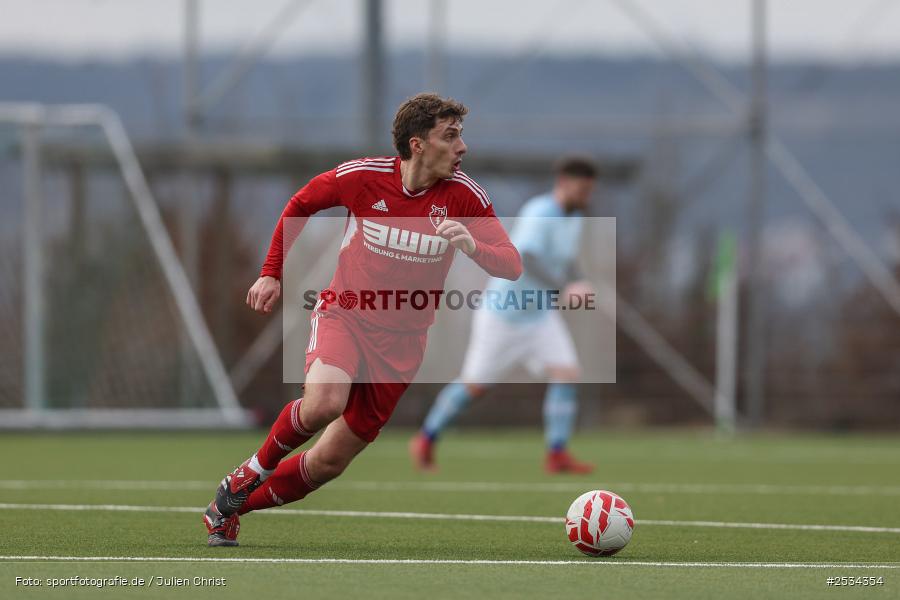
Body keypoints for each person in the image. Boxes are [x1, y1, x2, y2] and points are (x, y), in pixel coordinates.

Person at [202, 93, 521, 546]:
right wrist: (271, 273)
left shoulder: (465, 197)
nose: (462, 147)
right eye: (450, 136)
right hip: (344, 316)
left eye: (461, 136)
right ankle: (249, 472)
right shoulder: (363, 177)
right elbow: (300, 205)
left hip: (403, 345)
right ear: (417, 144)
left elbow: (511, 264)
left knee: (329, 463)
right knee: (324, 404)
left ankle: (229, 507)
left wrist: (473, 247)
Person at [409, 156, 598, 475]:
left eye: (589, 190)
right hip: (502, 316)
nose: (586, 196)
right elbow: (527, 258)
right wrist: (567, 286)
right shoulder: (540, 213)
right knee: (473, 386)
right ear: (564, 183)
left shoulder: (574, 217)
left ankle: (556, 454)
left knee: (567, 372)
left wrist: (577, 279)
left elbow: (565, 259)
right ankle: (426, 438)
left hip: (539, 316)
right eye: (581, 189)